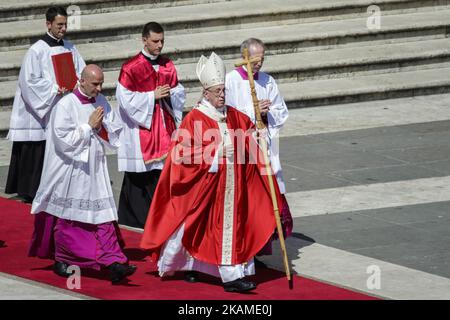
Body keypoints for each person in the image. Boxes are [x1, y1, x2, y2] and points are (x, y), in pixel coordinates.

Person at [140, 52, 284, 293]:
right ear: (205, 93)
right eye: (217, 92)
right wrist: (216, 152)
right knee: (201, 227)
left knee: (221, 229)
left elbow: (250, 132)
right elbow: (182, 155)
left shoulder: (234, 115)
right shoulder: (195, 118)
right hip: (205, 187)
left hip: (232, 188)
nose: (222, 96)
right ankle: (228, 277)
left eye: (223, 91)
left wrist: (258, 127)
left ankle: (212, 270)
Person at [28, 65, 137, 285]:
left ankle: (114, 263)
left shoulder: (101, 101)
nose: (99, 88)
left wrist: (102, 128)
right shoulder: (66, 105)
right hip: (73, 171)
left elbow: (113, 129)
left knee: (104, 216)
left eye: (101, 83)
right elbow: (62, 139)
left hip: (95, 169)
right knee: (72, 220)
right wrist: (88, 127)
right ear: (82, 81)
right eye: (95, 84)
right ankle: (64, 258)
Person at [5, 6, 86, 203]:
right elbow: (29, 82)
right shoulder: (37, 50)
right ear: (48, 24)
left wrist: (76, 84)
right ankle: (30, 190)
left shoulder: (70, 47)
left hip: (62, 103)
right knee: (36, 150)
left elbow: (81, 72)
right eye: (59, 25)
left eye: (65, 25)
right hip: (40, 108)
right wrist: (54, 90)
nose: (63, 29)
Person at [225, 38, 292, 259]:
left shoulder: (268, 81)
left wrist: (266, 113)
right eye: (255, 59)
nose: (259, 64)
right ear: (244, 57)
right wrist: (253, 110)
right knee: (248, 200)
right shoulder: (231, 80)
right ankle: (245, 251)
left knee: (266, 197)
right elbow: (228, 114)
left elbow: (281, 112)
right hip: (243, 146)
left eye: (262, 58)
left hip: (265, 145)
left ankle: (260, 248)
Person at [116, 21, 186, 229]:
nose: (159, 45)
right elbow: (124, 99)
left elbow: (179, 92)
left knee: (160, 174)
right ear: (144, 39)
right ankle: (134, 217)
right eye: (155, 41)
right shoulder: (131, 67)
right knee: (139, 176)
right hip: (142, 129)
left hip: (164, 126)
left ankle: (160, 217)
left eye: (162, 41)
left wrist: (172, 93)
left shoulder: (168, 65)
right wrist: (151, 96)